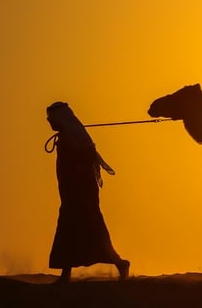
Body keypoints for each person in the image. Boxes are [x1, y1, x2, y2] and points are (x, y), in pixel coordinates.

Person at [46, 101, 130, 282]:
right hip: (70, 193)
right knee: (69, 230)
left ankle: (119, 263)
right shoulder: (70, 135)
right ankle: (66, 274)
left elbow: (86, 159)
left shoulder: (76, 137)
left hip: (81, 194)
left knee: (91, 229)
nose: (49, 122)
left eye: (51, 118)